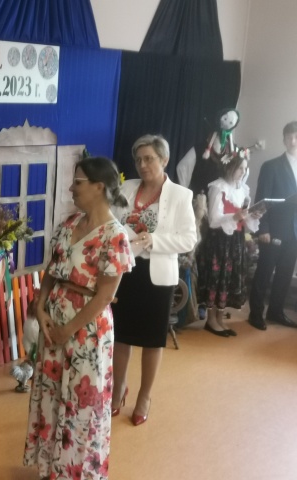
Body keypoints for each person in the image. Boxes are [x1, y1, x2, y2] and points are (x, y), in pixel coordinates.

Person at [23, 157, 133, 480]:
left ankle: (75, 473)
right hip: (53, 322)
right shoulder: (69, 223)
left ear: (99, 187)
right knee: (51, 393)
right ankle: (49, 468)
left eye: (78, 182)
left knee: (81, 402)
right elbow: (51, 271)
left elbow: (104, 296)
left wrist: (68, 329)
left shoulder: (116, 236)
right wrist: (41, 308)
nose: (72, 188)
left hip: (87, 330)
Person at [111, 135, 197, 426]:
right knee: (121, 335)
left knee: (152, 339)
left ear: (164, 160)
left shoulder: (180, 195)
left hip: (157, 276)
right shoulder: (126, 188)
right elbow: (112, 223)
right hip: (125, 272)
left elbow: (189, 239)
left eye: (149, 158)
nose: (142, 164)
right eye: (138, 159)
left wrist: (154, 240)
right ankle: (118, 389)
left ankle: (144, 396)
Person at [196, 150, 261, 337]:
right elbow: (214, 220)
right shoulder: (218, 187)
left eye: (245, 169)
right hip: (219, 241)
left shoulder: (243, 190)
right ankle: (211, 320)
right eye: (240, 168)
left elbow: (244, 220)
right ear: (229, 167)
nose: (243, 172)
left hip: (235, 240)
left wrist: (253, 216)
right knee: (216, 278)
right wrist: (234, 216)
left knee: (228, 278)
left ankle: (220, 318)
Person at [248, 121, 297, 330]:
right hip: (274, 229)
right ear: (284, 139)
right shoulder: (271, 166)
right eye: (289, 137)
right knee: (264, 272)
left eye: (296, 137)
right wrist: (263, 229)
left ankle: (276, 311)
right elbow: (262, 200)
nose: (293, 141)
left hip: (294, 232)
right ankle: (255, 313)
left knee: (285, 274)